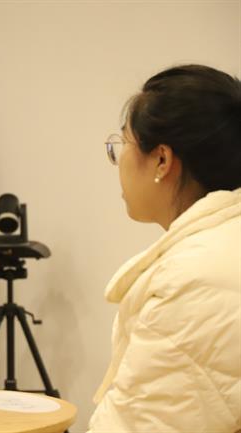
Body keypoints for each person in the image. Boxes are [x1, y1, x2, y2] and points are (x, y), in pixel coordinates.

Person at [89, 64, 240, 432]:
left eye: (121, 145)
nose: (118, 163)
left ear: (161, 160)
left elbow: (138, 424)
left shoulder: (190, 280)